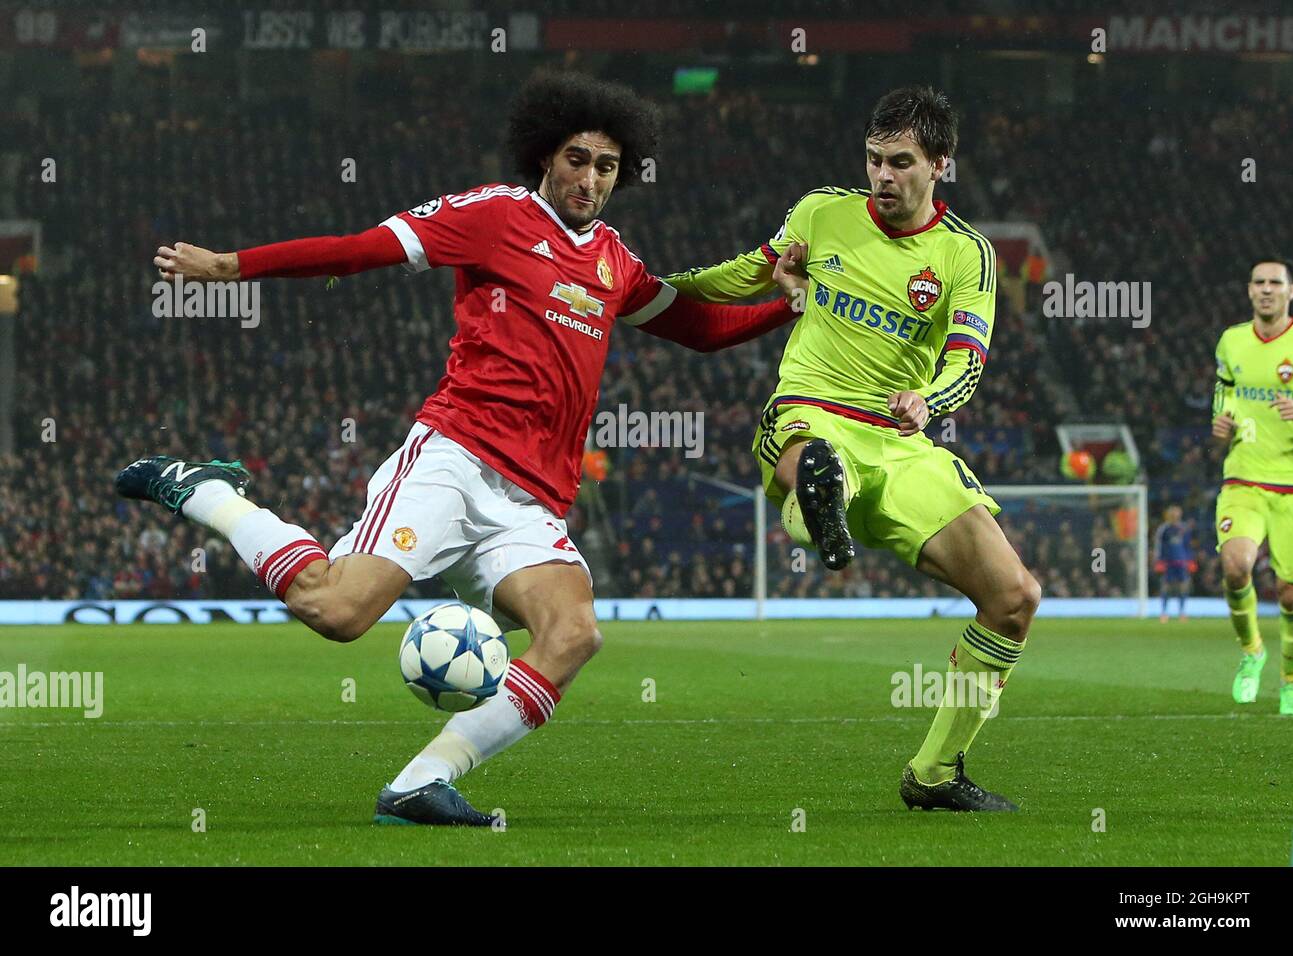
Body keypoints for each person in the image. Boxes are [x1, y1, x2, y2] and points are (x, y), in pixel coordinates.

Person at [117, 71, 806, 825]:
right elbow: (359, 250)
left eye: (607, 167)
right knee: (337, 612)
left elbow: (699, 329)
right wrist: (229, 267)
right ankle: (207, 492)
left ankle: (420, 782)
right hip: (456, 458)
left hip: (533, 501)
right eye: (577, 159)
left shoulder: (613, 261)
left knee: (574, 634)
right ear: (546, 155)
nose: (590, 178)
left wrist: (790, 308)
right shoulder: (492, 214)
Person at [665, 86, 1040, 811]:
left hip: (900, 441)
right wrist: (649, 291)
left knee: (1014, 597)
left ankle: (933, 775)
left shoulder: (966, 255)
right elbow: (745, 274)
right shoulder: (822, 211)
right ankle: (815, 503)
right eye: (874, 160)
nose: (883, 176)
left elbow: (968, 359)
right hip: (814, 406)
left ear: (940, 164)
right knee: (812, 455)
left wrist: (928, 399)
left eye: (901, 162)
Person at [1210, 259, 1293, 715]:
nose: (1267, 290)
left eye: (1275, 283)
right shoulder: (1232, 340)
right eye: (1259, 283)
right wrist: (1219, 422)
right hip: (1243, 475)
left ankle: (1291, 678)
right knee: (1235, 565)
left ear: (1291, 291)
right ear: (1249, 291)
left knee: (1290, 594)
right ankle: (1251, 653)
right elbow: (1224, 391)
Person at [1153, 504, 1195, 623]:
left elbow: (1187, 546)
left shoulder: (1184, 528)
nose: (1175, 515)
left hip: (1181, 562)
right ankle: (1164, 613)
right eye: (1173, 513)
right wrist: (1159, 561)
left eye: (1177, 513)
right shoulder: (1164, 529)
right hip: (1168, 562)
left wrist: (1190, 560)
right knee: (1166, 587)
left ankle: (1182, 612)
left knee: (1183, 587)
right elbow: (1159, 546)